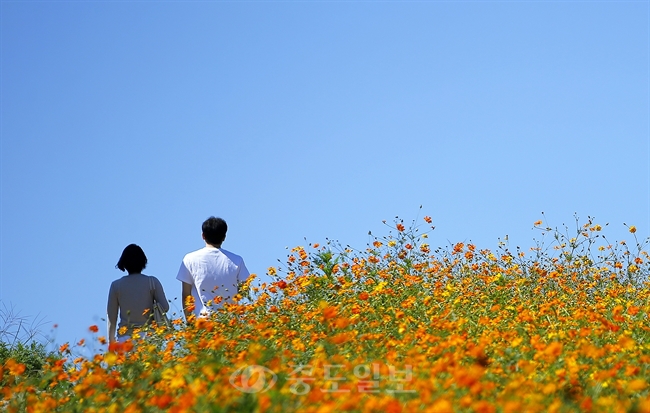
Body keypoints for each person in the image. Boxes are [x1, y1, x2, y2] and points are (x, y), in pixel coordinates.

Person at [176, 217, 250, 321]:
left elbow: (186, 295)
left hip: (202, 323)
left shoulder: (189, 259)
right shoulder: (236, 260)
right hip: (230, 323)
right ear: (224, 237)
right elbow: (245, 288)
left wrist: (189, 321)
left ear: (203, 236)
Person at [107, 244, 169, 343]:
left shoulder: (116, 286)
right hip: (149, 337)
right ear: (143, 261)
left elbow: (111, 318)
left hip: (125, 339)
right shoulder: (152, 282)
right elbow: (165, 307)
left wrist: (111, 341)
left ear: (124, 263)